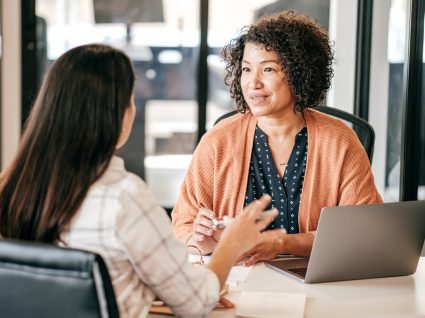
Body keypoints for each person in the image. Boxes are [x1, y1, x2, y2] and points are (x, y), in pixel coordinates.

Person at [0, 44, 277, 318]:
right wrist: (231, 244)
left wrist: (150, 288)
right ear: (117, 114)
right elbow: (196, 303)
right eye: (131, 99)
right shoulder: (124, 198)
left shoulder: (12, 186)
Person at [171, 11, 383, 266]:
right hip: (239, 279)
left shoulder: (339, 140)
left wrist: (282, 244)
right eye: (246, 69)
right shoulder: (218, 141)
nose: (253, 83)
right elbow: (183, 224)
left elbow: (361, 231)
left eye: (268, 69)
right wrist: (205, 243)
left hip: (316, 280)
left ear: (298, 72)